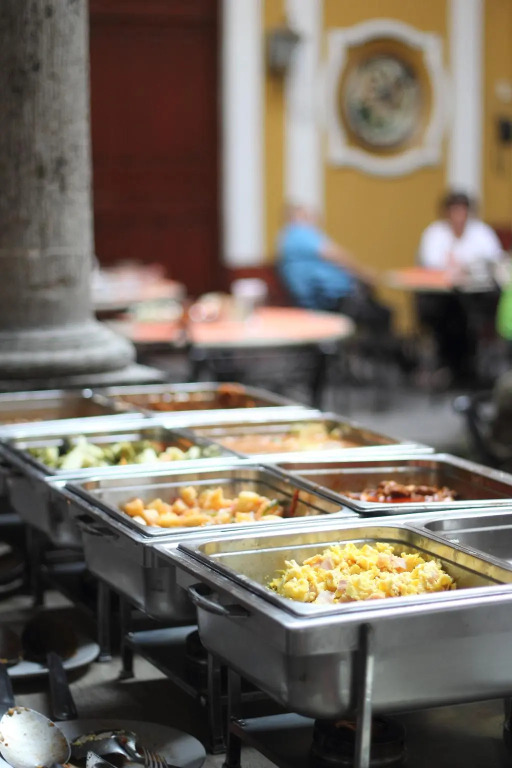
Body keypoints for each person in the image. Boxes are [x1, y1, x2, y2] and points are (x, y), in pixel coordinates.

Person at [416, 191, 504, 384]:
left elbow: (494, 261)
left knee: (474, 315)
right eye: (454, 210)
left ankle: (470, 368)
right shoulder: (435, 233)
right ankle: (450, 365)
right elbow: (431, 264)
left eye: (462, 210)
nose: (459, 216)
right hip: (442, 299)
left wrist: (463, 267)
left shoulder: (481, 233)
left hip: (477, 298)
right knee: (447, 314)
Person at [277, 204, 391, 333]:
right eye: (306, 215)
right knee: (383, 314)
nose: (312, 219)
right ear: (292, 218)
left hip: (328, 300)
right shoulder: (299, 233)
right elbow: (335, 254)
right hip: (330, 301)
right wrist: (364, 273)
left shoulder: (289, 238)